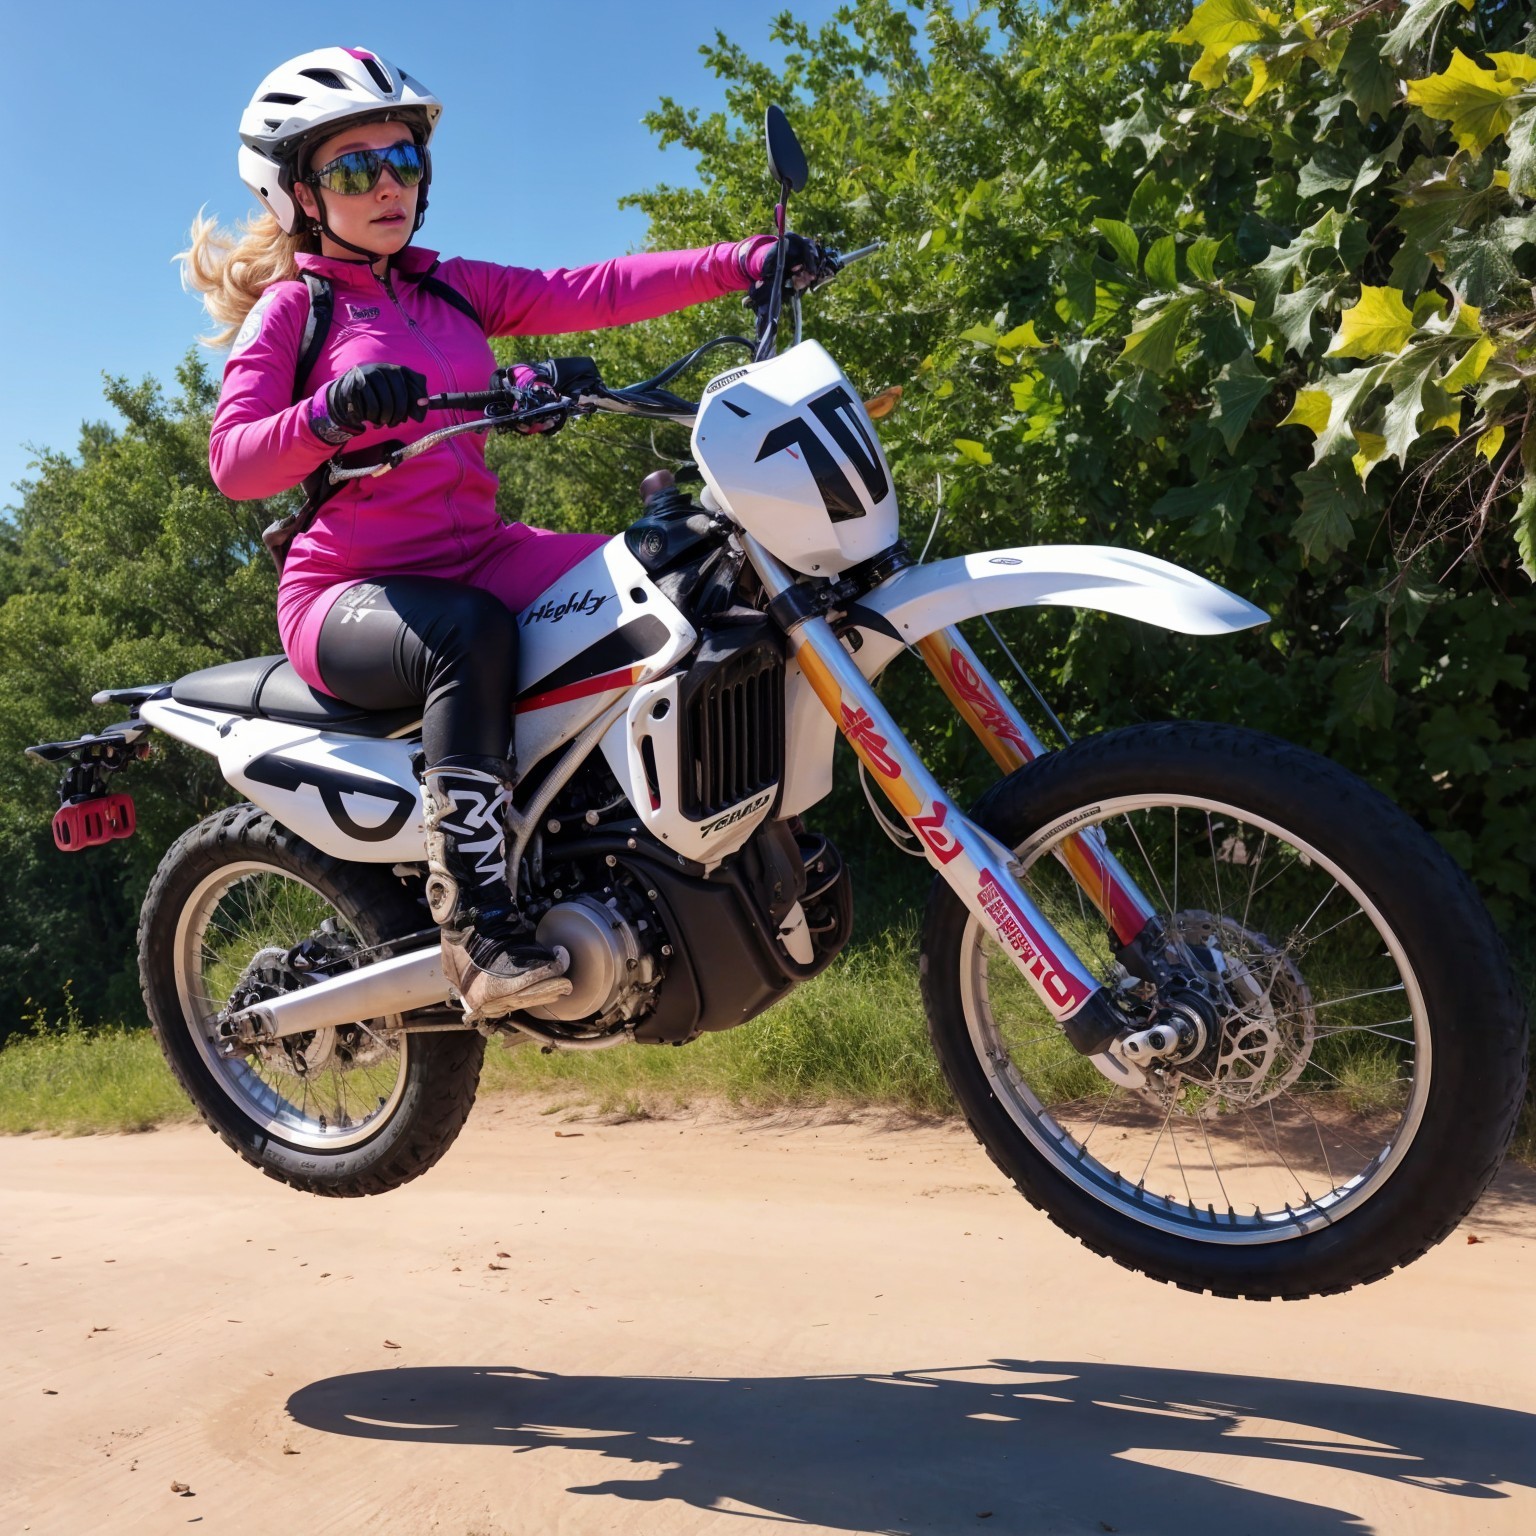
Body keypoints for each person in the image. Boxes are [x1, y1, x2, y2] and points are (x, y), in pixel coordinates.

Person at [181, 46, 825, 1022]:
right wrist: (330, 413)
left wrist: (744, 262)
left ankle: (689, 842)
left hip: (482, 553)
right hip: (346, 591)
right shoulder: (294, 313)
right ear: (302, 196)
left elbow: (592, 288)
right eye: (356, 169)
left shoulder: (450, 288)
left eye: (403, 160)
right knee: (468, 633)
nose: (388, 184)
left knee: (677, 577)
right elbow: (235, 464)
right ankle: (476, 925)